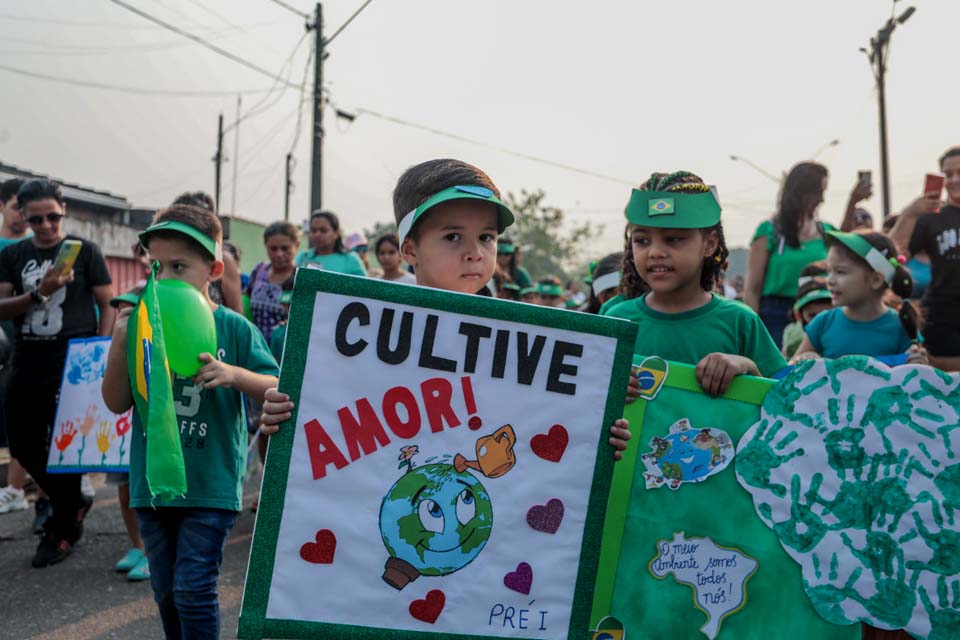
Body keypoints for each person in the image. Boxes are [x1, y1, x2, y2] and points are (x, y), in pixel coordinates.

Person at [258, 157, 630, 457]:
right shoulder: (359, 332)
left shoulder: (529, 343)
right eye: (453, 236)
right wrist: (283, 416)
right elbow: (322, 426)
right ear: (410, 250)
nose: (475, 252)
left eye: (487, 237)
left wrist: (594, 440)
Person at [101, 203, 279, 638]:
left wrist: (235, 375)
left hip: (211, 485)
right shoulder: (142, 325)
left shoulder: (233, 328)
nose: (164, 279)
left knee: (193, 587)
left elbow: (276, 381)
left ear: (212, 270)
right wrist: (122, 342)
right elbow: (115, 402)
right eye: (156, 267)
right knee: (165, 590)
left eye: (179, 266)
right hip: (152, 485)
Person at [0, 178, 115, 566]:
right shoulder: (14, 255)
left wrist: (100, 351)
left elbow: (108, 302)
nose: (47, 226)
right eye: (37, 220)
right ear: (24, 217)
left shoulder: (86, 251)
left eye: (53, 216)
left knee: (66, 447)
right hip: (28, 360)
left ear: (63, 210)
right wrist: (40, 291)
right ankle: (73, 503)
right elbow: (2, 307)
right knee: (24, 445)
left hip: (75, 363)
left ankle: (62, 525)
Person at [604, 171, 786, 397]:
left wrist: (747, 367)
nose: (655, 252)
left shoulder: (740, 321)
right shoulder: (615, 320)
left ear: (709, 244)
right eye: (642, 241)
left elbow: (784, 399)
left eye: (674, 239)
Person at [744, 163, 869, 346]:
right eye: (819, 192)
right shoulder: (770, 231)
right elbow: (752, 288)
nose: (822, 200)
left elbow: (844, 248)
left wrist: (853, 202)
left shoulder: (825, 230)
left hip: (821, 309)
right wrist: (753, 332)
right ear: (802, 192)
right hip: (775, 316)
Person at [791, 231, 926, 364]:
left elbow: (918, 379)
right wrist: (803, 360)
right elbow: (788, 374)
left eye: (840, 272)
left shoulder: (901, 326)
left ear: (876, 280)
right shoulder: (823, 322)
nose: (829, 280)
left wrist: (918, 364)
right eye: (829, 271)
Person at [889, 146, 960, 371]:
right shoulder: (931, 219)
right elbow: (889, 258)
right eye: (948, 174)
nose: (955, 180)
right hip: (942, 317)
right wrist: (910, 213)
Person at [105, 287, 150, 581]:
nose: (123, 316)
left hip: (142, 438)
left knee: (145, 494)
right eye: (119, 310)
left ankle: (150, 552)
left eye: (130, 310)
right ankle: (137, 545)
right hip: (116, 438)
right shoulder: (114, 347)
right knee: (125, 493)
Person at [0, 177, 34, 516]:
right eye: (17, 208)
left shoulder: (40, 248)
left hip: (24, 345)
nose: (23, 216)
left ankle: (16, 488)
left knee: (19, 420)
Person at [247, 222, 299, 343]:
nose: (279, 254)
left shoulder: (300, 278)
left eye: (285, 248)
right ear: (266, 245)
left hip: (283, 352)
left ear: (296, 245)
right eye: (273, 248)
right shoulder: (259, 271)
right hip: (256, 348)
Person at [781, 263, 832, 359]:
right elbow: (784, 369)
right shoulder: (794, 337)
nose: (820, 320)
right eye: (812, 315)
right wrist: (798, 360)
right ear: (798, 316)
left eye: (827, 314)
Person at [295, 210, 367, 276]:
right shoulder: (303, 256)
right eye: (313, 231)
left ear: (336, 233)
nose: (317, 235)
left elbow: (366, 288)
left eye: (323, 231)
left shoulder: (350, 259)